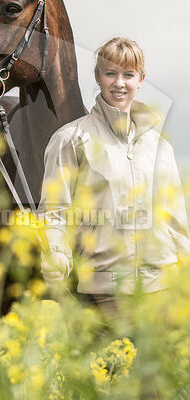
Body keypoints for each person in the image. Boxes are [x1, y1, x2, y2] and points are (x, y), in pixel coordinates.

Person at [38, 37, 190, 317]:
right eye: (111, 73)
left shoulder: (161, 146)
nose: (119, 83)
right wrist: (57, 254)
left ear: (141, 79)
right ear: (98, 77)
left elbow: (175, 219)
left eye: (128, 75)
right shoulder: (70, 139)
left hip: (161, 289)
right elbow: (54, 212)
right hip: (101, 293)